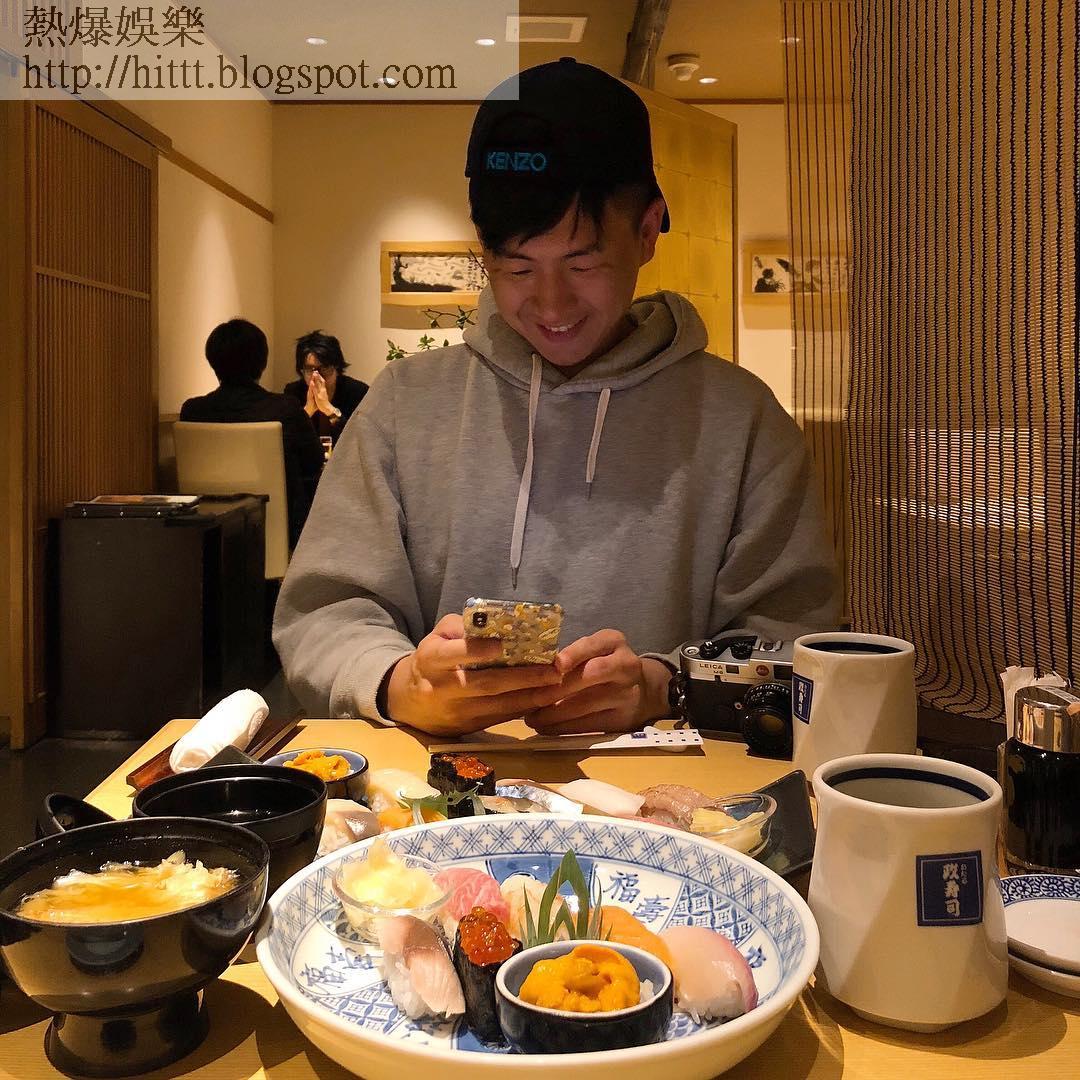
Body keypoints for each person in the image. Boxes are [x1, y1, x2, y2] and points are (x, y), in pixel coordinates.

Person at [273, 58, 840, 737]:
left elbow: (794, 639)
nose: (551, 304)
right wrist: (400, 683)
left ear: (648, 230)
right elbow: (324, 612)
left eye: (583, 263)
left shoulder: (741, 422)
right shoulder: (404, 405)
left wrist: (665, 687)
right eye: (517, 267)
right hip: (439, 786)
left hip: (665, 792)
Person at [180, 318, 324, 548]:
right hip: (281, 533)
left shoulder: (193, 411)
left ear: (213, 362)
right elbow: (314, 461)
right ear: (262, 362)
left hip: (208, 534)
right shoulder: (284, 408)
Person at [283, 330, 369, 446]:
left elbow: (360, 440)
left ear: (337, 367)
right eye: (309, 370)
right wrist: (307, 411)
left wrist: (330, 410)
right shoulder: (293, 393)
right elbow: (287, 441)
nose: (316, 376)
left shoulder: (357, 392)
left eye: (324, 368)